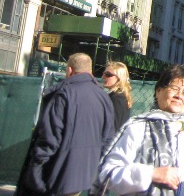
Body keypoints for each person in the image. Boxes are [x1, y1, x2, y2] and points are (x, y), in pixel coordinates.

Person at [96, 64, 184, 195]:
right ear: (158, 91)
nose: (179, 95)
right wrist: (151, 174)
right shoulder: (138, 127)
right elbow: (108, 174)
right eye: (174, 88)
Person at [18, 53, 114, 196]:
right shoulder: (103, 97)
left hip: (54, 177)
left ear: (69, 70)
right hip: (82, 177)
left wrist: (35, 173)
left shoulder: (64, 93)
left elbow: (49, 139)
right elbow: (108, 140)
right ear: (90, 71)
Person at [102, 62, 133, 131]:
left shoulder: (118, 98)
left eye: (108, 74)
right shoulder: (117, 96)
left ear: (119, 78)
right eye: (104, 73)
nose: (103, 77)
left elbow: (115, 127)